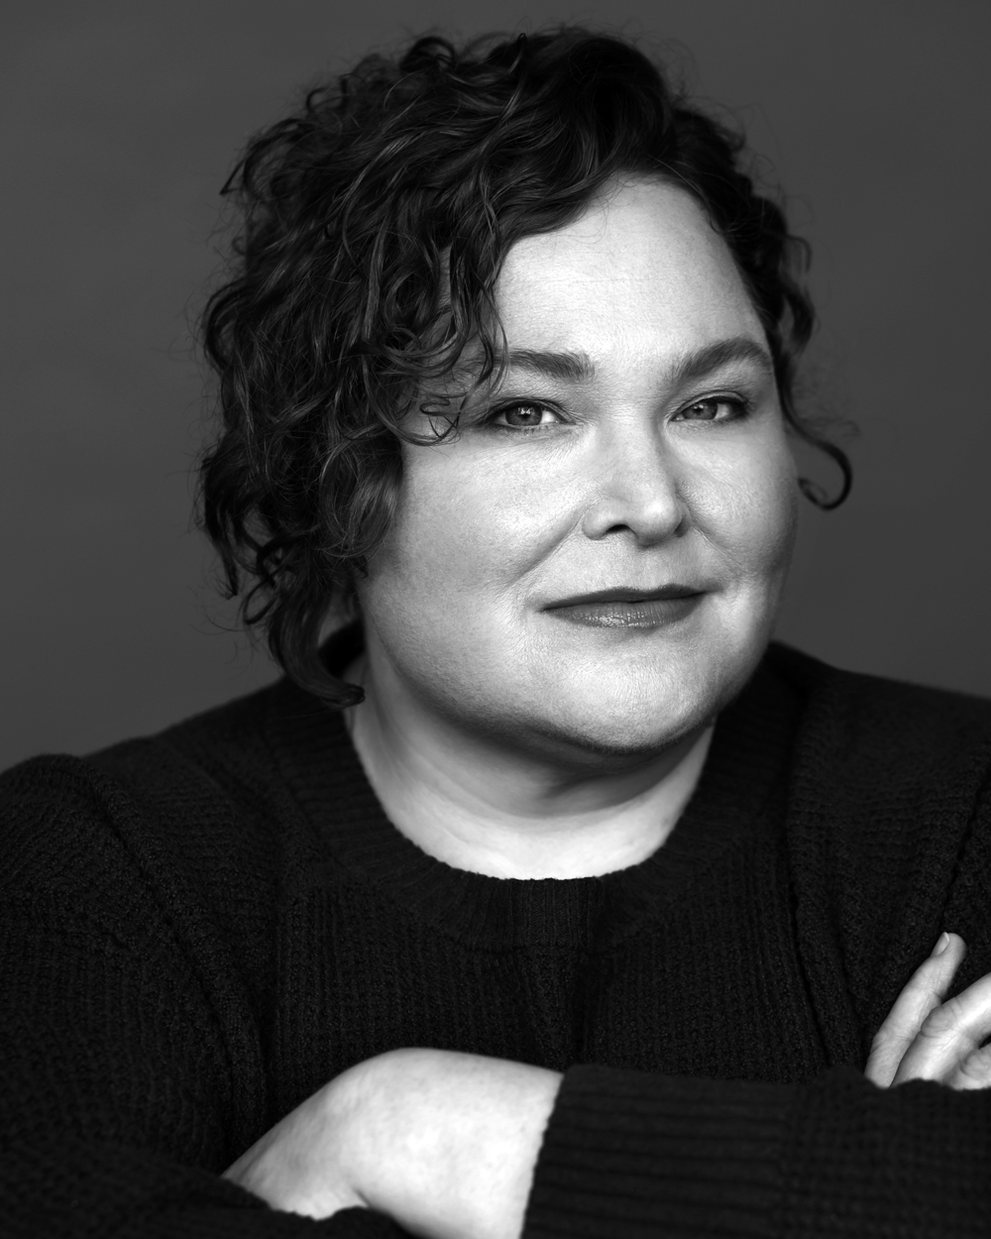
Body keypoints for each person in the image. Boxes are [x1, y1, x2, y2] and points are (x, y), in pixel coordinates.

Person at [3, 24, 991, 1239]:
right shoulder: (94, 883)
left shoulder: (965, 820)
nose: (651, 503)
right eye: (524, 413)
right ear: (335, 477)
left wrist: (413, 1129)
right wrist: (857, 1176)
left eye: (711, 404)